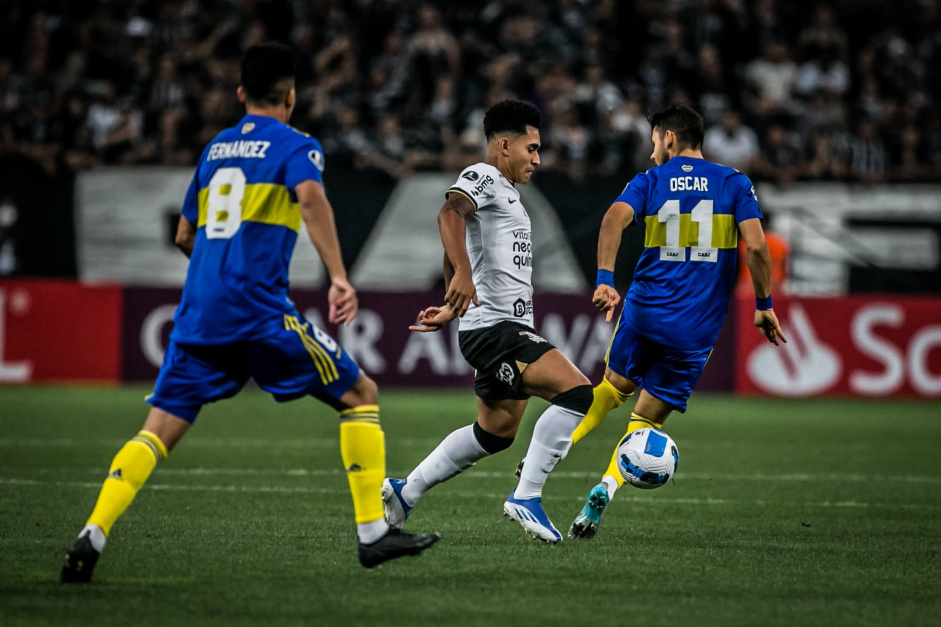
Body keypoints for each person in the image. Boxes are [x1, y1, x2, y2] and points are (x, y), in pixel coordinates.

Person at [60, 43, 438, 583]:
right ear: (290, 95)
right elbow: (311, 200)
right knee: (361, 395)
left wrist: (218, 267)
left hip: (197, 314)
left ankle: (93, 532)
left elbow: (184, 234)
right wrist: (337, 275)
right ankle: (373, 533)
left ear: (240, 94)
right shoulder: (297, 146)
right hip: (258, 311)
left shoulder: (214, 149)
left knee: (157, 429)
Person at [564, 103, 787, 539]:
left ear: (668, 138)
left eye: (653, 143)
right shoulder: (735, 183)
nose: (651, 154)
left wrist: (607, 280)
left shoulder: (651, 180)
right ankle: (604, 492)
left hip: (645, 310)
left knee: (611, 389)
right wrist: (764, 302)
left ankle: (553, 451)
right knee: (644, 423)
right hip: (695, 326)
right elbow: (758, 249)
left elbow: (613, 219)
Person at [381, 100, 593, 543]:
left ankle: (405, 493)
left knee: (496, 432)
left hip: (492, 326)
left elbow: (457, 243)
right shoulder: (484, 177)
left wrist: (453, 300)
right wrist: (461, 275)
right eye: (531, 148)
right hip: (497, 330)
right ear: (504, 145)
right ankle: (526, 496)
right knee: (576, 392)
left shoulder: (508, 194)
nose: (537, 158)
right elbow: (449, 214)